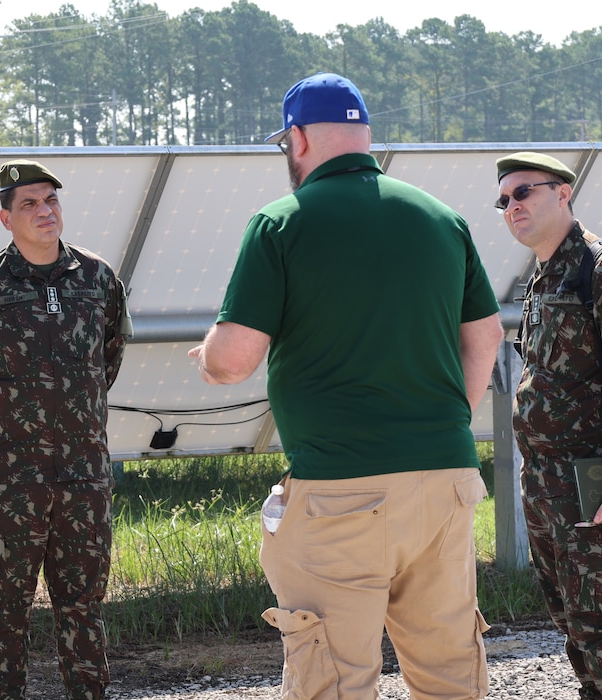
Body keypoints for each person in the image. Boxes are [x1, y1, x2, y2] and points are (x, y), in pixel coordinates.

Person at [189, 73, 504, 699]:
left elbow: (233, 361)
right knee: (449, 674)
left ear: (297, 140)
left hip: (339, 494)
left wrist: (206, 354)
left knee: (332, 676)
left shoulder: (281, 223)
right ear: (363, 136)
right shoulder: (442, 219)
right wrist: (445, 424)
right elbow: (487, 336)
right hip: (445, 483)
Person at [0, 159, 131, 700]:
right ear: (6, 218)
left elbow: (107, 358)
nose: (45, 212)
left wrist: (72, 420)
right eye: (29, 204)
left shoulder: (97, 279)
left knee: (84, 608)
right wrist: (2, 432)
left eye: (51, 200)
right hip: (8, 482)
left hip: (83, 477)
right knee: (3, 613)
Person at [495, 151, 602, 699]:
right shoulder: (544, 275)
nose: (511, 207)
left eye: (523, 193)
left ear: (563, 193)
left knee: (601, 623)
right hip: (545, 479)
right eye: (503, 200)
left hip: (595, 477)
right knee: (572, 622)